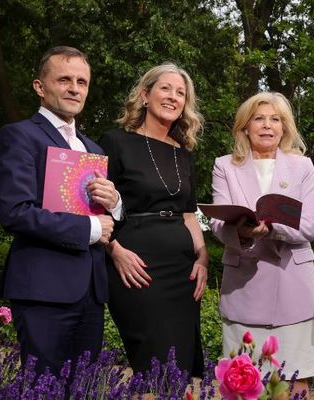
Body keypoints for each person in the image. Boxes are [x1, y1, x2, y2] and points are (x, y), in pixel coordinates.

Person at [0, 46, 121, 375]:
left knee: (84, 388)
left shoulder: (93, 149)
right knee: (41, 387)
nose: (75, 88)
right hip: (43, 290)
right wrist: (91, 229)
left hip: (90, 292)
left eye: (82, 81)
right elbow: (16, 212)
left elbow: (105, 218)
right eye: (64, 79)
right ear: (39, 86)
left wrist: (116, 204)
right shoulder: (19, 136)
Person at [210, 92, 314, 396]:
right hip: (243, 289)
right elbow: (218, 223)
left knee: (295, 381)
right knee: (241, 382)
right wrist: (245, 232)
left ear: (285, 127)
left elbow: (312, 224)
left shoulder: (302, 166)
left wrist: (273, 229)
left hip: (293, 289)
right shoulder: (224, 166)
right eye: (259, 118)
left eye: (275, 119)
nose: (267, 125)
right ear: (245, 126)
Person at [98, 62, 207, 376]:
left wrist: (203, 259)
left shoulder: (184, 152)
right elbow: (96, 207)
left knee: (179, 369)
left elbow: (188, 213)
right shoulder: (115, 142)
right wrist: (114, 250)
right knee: (152, 364)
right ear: (145, 95)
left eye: (181, 93)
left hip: (182, 270)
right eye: (165, 88)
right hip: (136, 266)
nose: (173, 97)